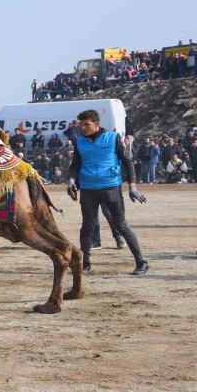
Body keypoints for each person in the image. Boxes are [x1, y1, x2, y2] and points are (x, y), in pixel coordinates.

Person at [67, 109, 149, 275]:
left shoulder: (113, 138)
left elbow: (127, 161)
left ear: (97, 124)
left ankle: (141, 262)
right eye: (81, 124)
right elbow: (75, 165)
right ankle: (85, 264)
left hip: (111, 186)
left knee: (121, 225)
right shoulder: (80, 142)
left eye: (86, 124)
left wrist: (132, 186)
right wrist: (71, 181)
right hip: (88, 189)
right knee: (87, 227)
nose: (83, 128)